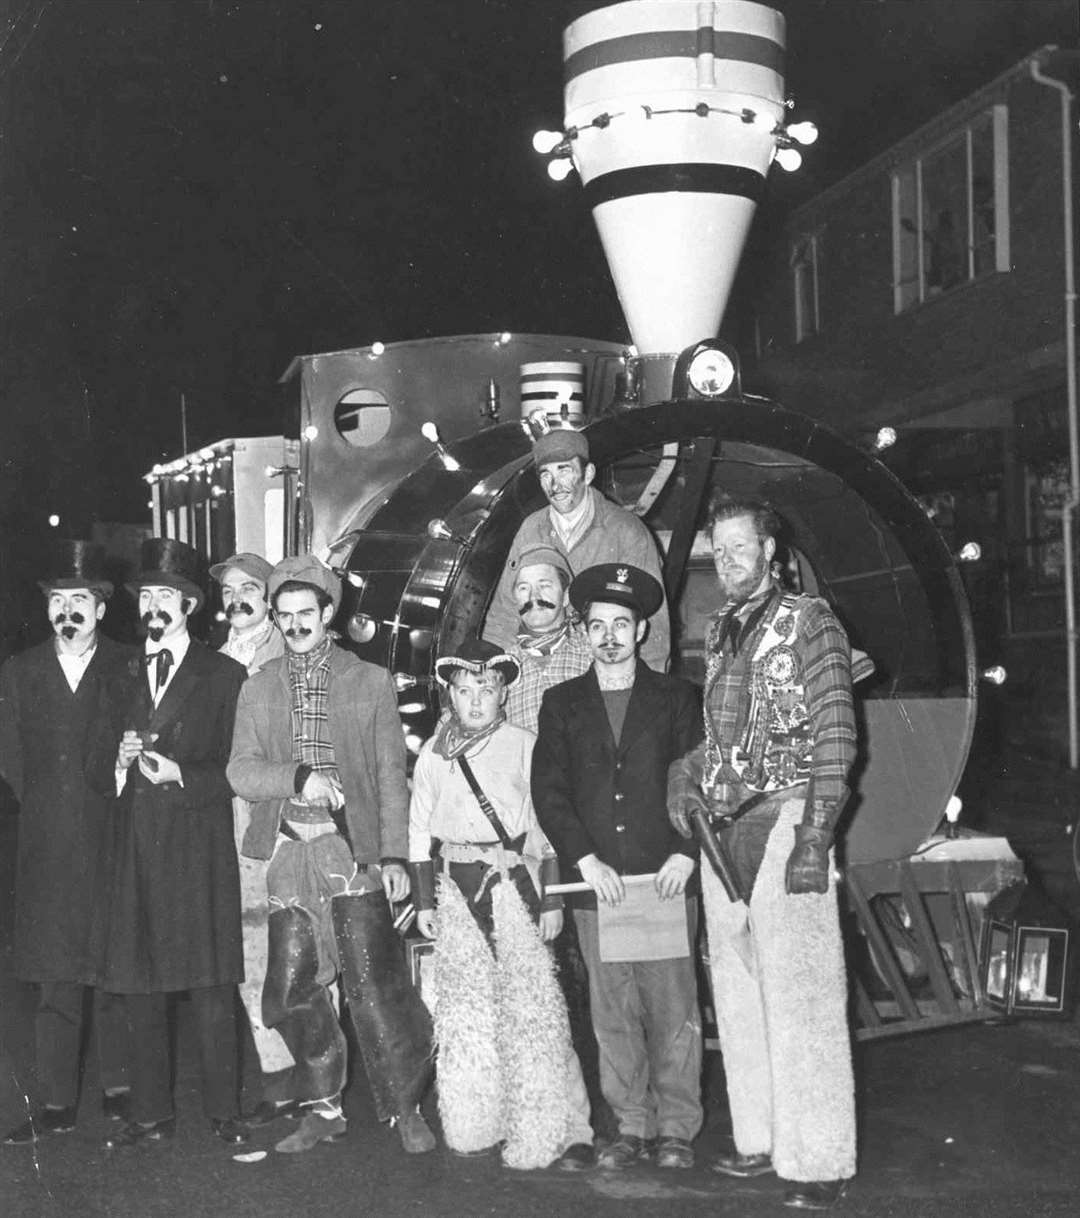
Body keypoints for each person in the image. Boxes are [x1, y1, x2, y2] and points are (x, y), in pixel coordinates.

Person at [667, 494, 857, 1212]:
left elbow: (838, 737)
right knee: (741, 996)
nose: (729, 561)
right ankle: (762, 1140)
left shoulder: (812, 623)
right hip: (725, 830)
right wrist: (684, 776)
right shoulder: (721, 629)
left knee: (803, 996)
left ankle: (819, 1159)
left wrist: (816, 837)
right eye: (719, 551)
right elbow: (719, 740)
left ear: (771, 551)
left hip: (786, 821)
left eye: (741, 547)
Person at [227, 555, 434, 1156]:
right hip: (291, 853)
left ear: (328, 613)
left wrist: (394, 855)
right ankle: (322, 1109)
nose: (294, 625)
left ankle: (405, 1108)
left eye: (305, 614)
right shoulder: (258, 685)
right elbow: (240, 771)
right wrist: (298, 779)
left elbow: (391, 775)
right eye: (284, 615)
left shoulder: (367, 681)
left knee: (375, 986)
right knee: (291, 989)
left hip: (355, 850)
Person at [532, 563, 704, 1170]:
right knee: (613, 1012)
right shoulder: (561, 704)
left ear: (641, 631)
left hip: (664, 878)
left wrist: (688, 854)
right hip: (597, 883)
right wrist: (585, 858)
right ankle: (631, 1124)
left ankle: (678, 1127)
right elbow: (548, 790)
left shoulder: (679, 699)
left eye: (620, 625)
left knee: (672, 1009)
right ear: (584, 632)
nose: (608, 636)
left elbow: (698, 780)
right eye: (597, 625)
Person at [408, 636, 595, 1171]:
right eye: (464, 691)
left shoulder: (523, 744)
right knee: (466, 1014)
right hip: (454, 888)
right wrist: (425, 899)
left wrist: (553, 898)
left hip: (513, 882)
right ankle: (477, 1123)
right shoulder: (433, 754)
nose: (474, 701)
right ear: (450, 695)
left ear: (502, 693)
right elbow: (420, 829)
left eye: (485, 690)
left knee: (536, 1010)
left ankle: (568, 1128)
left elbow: (546, 824)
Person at [100, 537, 248, 1149]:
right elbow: (89, 764)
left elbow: (238, 767)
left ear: (190, 605)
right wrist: (116, 762)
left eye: (169, 596)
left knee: (211, 986)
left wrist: (182, 774)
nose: (156, 605)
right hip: (134, 848)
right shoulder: (118, 671)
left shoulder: (225, 675)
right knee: (142, 987)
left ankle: (224, 1111)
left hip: (197, 847)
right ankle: (152, 1114)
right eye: (148, 595)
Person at [0, 541, 132, 1145]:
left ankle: (121, 1091)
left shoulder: (128, 666)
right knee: (56, 977)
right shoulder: (21, 670)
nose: (69, 610)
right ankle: (55, 1104)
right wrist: (52, 807)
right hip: (49, 845)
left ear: (101, 609)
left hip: (114, 837)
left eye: (80, 599)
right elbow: (11, 757)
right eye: (59, 600)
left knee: (112, 969)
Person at [209, 552, 295, 1127]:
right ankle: (278, 1078)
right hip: (223, 823)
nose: (237, 598)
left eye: (249, 588)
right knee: (248, 949)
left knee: (295, 943)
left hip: (279, 819)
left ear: (269, 598)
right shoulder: (210, 662)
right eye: (228, 590)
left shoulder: (288, 654)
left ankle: (312, 1074)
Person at [483, 427, 670, 673]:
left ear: (588, 473)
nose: (555, 485)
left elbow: (653, 624)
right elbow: (504, 615)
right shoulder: (531, 530)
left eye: (564, 470)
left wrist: (647, 692)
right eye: (545, 475)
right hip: (539, 670)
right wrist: (492, 676)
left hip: (604, 675)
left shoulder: (627, 532)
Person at [503, 543, 593, 734]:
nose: (533, 596)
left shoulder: (593, 653)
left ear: (566, 596)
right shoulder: (501, 669)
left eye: (544, 586)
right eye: (523, 588)